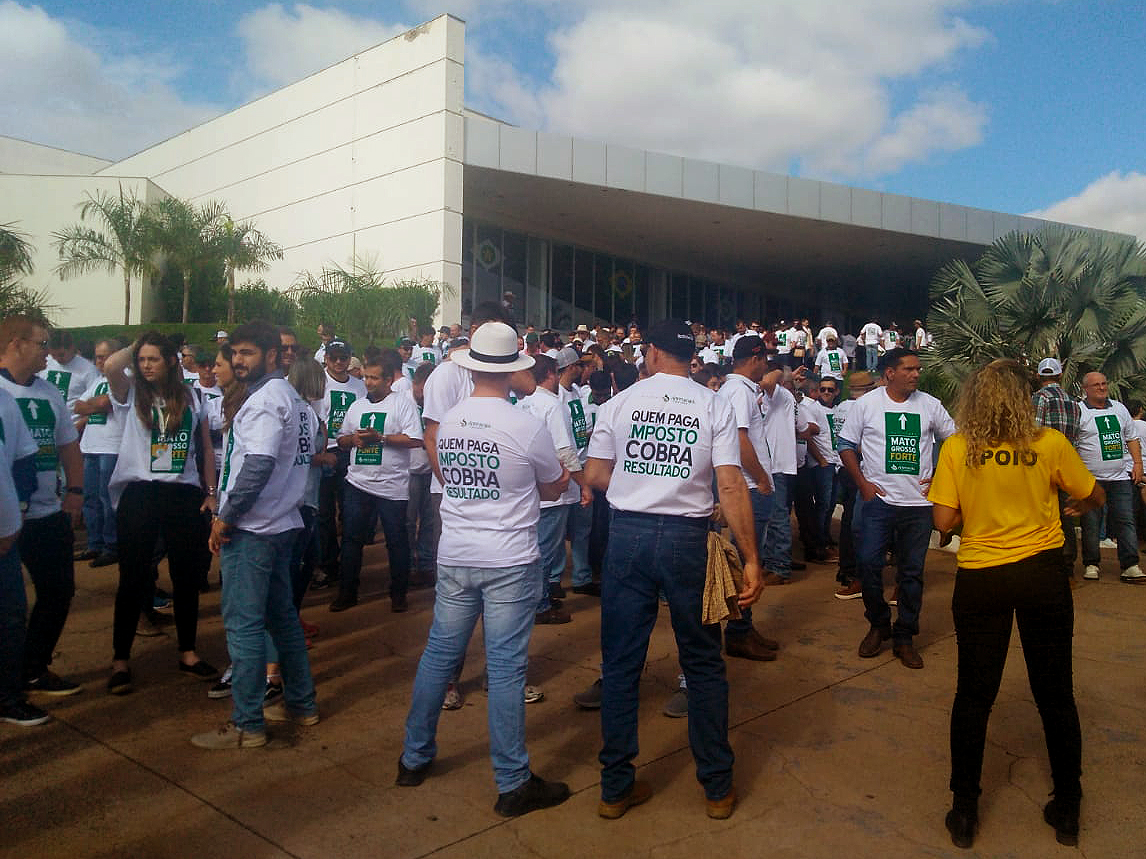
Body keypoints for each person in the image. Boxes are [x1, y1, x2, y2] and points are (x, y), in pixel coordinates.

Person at [584, 319, 763, 821]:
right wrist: (751, 558)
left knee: (621, 665)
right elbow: (730, 486)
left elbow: (596, 475)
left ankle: (615, 788)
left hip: (628, 538)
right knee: (703, 662)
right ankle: (717, 788)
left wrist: (640, 477)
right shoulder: (713, 404)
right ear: (689, 358)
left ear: (654, 353)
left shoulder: (619, 404)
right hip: (688, 541)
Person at [397, 322, 573, 817]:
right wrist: (550, 484)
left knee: (438, 656)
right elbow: (554, 483)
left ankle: (413, 758)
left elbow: (449, 476)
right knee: (505, 669)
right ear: (514, 370)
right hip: (510, 558)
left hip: (456, 551)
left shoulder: (449, 421)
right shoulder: (525, 423)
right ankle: (512, 781)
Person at [929, 359, 1101, 849]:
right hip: (1042, 574)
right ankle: (1068, 807)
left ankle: (964, 811)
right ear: (1026, 399)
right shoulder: (1049, 444)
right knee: (1056, 694)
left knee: (973, 695)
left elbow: (943, 521)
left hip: (982, 577)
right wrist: (1078, 506)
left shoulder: (960, 447)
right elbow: (1093, 494)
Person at [193, 321, 318, 749]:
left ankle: (247, 724)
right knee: (281, 619)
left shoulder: (266, 401)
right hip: (282, 524)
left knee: (243, 626)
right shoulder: (293, 399)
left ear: (270, 356)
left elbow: (259, 464)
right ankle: (302, 705)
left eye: (247, 353)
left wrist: (225, 517)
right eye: (235, 353)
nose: (238, 361)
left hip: (255, 528)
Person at [103, 334, 219, 695]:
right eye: (141, 359)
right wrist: (139, 343)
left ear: (171, 361)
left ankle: (187, 651)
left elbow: (205, 449)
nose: (145, 365)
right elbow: (110, 365)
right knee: (133, 577)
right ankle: (120, 660)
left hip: (182, 493)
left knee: (186, 578)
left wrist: (211, 491)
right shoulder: (131, 393)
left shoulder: (192, 396)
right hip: (140, 491)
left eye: (153, 359)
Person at [838, 348, 955, 669]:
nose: (916, 374)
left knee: (912, 573)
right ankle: (878, 623)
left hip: (918, 506)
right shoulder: (867, 405)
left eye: (918, 369)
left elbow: (955, 442)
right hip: (880, 503)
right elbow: (846, 445)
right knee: (868, 564)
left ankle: (904, 636)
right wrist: (863, 485)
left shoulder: (930, 405)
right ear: (889, 372)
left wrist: (941, 480)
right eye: (909, 369)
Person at [0, 316, 84, 697]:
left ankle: (34, 667)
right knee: (9, 609)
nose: (48, 352)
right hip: (5, 519)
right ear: (16, 344)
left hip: (46, 513)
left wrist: (76, 491)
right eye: (40, 344)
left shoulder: (50, 393)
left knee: (58, 591)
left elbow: (68, 444)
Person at [331, 352, 423, 613]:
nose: (368, 382)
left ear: (388, 380)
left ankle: (398, 594)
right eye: (367, 377)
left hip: (392, 487)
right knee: (351, 540)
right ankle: (347, 593)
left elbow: (415, 439)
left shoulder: (402, 404)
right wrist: (354, 441)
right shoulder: (357, 406)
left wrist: (381, 438)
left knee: (396, 541)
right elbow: (341, 439)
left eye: (374, 378)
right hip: (358, 483)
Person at [0, 386, 46, 725]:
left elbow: (23, 460)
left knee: (12, 616)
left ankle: (8, 697)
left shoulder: (4, 400)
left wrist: (16, 511)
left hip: (4, 535)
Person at [1075, 372, 1143, 582]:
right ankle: (1092, 563)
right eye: (1096, 385)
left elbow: (1132, 438)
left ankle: (1130, 564)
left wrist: (1138, 464)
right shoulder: (1079, 411)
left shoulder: (1119, 408)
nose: (1102, 388)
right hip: (1090, 478)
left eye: (1104, 383)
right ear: (1085, 389)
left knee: (1125, 520)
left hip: (1120, 477)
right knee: (1091, 523)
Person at [312, 339, 367, 590]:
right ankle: (327, 563)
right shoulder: (318, 382)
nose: (338, 362)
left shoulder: (359, 386)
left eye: (343, 357)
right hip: (325, 451)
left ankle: (348, 563)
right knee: (323, 513)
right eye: (333, 357)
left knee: (349, 510)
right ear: (326, 359)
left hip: (350, 452)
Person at [72, 338, 124, 568]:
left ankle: (111, 545)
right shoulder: (98, 380)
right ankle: (94, 543)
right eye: (97, 356)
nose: (99, 361)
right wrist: (95, 404)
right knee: (90, 498)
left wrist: (93, 404)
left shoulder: (124, 378)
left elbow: (105, 403)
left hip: (112, 446)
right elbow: (78, 406)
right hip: (90, 445)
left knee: (107, 498)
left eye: (104, 356)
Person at [1032, 357, 1082, 579]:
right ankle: (1068, 565)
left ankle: (1045, 563)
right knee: (1065, 515)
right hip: (1066, 463)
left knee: (1042, 513)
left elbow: (1034, 431)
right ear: (1060, 376)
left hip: (1042, 465)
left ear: (1038, 376)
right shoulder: (1073, 401)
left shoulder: (1040, 397)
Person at [833, 371, 877, 599]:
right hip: (857, 468)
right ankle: (857, 572)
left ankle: (848, 569)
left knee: (850, 521)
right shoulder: (861, 408)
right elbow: (855, 445)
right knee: (858, 524)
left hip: (843, 469)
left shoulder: (841, 407)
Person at [406, 362, 438, 589]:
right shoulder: (402, 401)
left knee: (429, 520)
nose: (424, 397)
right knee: (406, 521)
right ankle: (406, 565)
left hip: (430, 469)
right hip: (406, 471)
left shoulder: (435, 402)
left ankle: (426, 564)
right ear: (415, 384)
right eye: (421, 391)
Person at [40, 329, 99, 424]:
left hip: (73, 425)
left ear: (72, 348)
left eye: (61, 355)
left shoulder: (89, 370)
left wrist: (79, 426)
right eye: (54, 355)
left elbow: (95, 405)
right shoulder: (44, 363)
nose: (58, 359)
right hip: (46, 424)